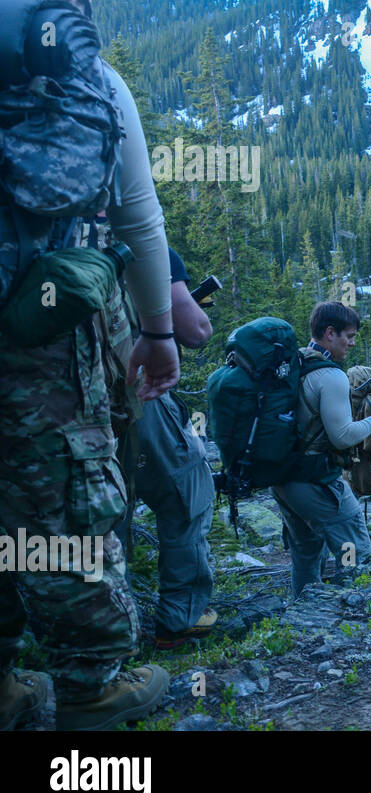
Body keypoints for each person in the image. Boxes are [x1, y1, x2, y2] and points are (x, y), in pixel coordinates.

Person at [0, 0, 177, 731]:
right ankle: (91, 689)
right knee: (62, 507)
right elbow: (138, 215)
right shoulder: (85, 77)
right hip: (35, 340)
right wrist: (157, 330)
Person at [271, 302, 371, 598]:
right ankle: (359, 607)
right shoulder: (330, 377)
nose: (352, 343)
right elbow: (343, 436)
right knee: (353, 548)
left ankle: (303, 617)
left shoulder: (294, 364)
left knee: (306, 551)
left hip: (283, 481)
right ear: (330, 333)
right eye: (349, 336)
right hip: (317, 483)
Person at [126, 248, 220, 648]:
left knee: (104, 507)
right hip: (136, 391)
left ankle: (110, 629)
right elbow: (196, 331)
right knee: (187, 491)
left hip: (58, 401)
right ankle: (180, 620)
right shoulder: (143, 244)